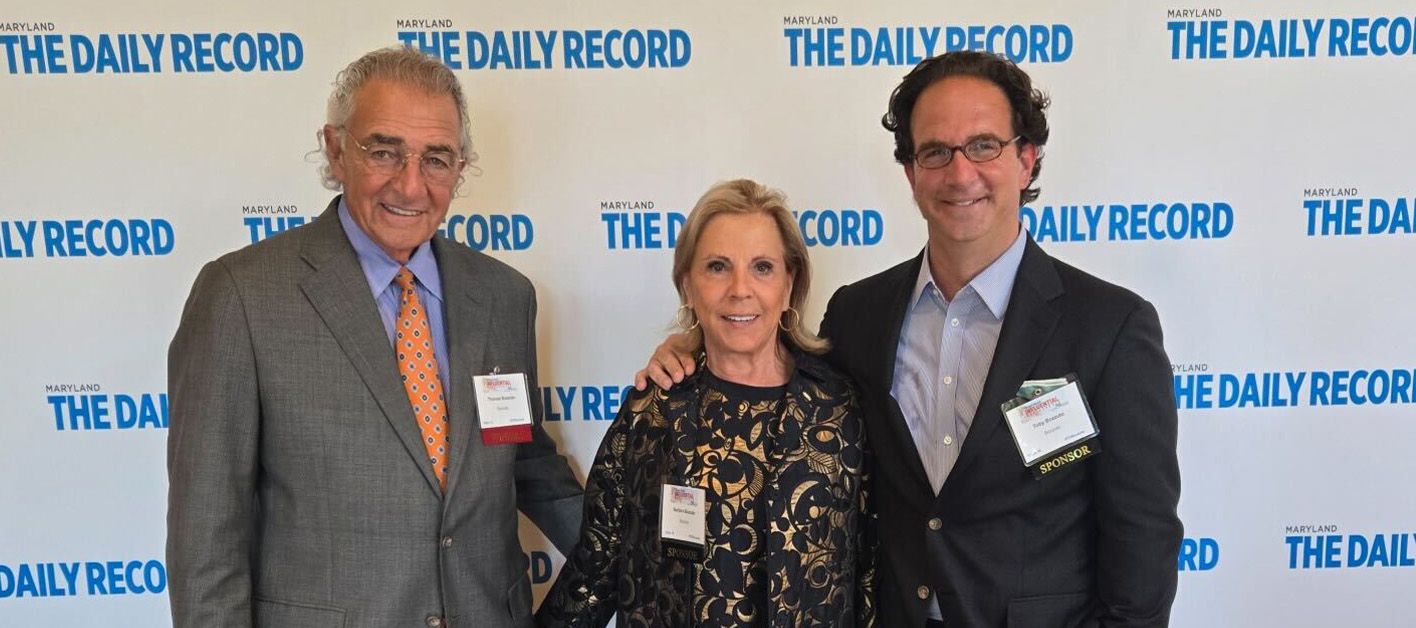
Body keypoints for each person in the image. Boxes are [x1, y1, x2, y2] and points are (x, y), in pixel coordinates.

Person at [640, 52, 1182, 627]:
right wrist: (695, 347)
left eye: (983, 146)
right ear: (911, 173)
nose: (960, 173)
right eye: (935, 152)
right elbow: (774, 378)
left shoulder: (1110, 328)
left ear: (1026, 160)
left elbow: (1143, 541)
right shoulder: (858, 316)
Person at [166, 47, 583, 627]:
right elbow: (207, 537)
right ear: (336, 150)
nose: (411, 186)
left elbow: (524, 458)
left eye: (436, 159)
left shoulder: (504, 297)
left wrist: (652, 565)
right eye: (384, 152)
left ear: (460, 168)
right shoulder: (241, 296)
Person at [538, 179, 874, 627]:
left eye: (762, 267)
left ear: (789, 284)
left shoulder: (840, 407)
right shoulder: (652, 409)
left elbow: (869, 573)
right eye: (718, 267)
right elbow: (595, 568)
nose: (740, 289)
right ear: (687, 285)